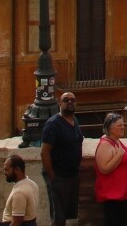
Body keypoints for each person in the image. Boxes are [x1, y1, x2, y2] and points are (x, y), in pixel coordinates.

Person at [40, 93, 84, 226]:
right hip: (58, 176)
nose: (70, 102)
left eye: (73, 100)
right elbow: (44, 152)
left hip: (72, 175)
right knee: (58, 217)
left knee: (67, 215)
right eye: (66, 100)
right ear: (60, 104)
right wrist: (52, 176)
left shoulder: (74, 121)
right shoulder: (53, 124)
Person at [95, 112, 127, 226]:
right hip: (113, 195)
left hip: (124, 193)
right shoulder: (105, 145)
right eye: (120, 125)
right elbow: (104, 169)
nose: (123, 127)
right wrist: (119, 155)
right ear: (110, 128)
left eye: (123, 124)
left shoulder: (117, 140)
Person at [0, 155, 43, 226]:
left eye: (7, 170)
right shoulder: (32, 184)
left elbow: (17, 222)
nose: (5, 173)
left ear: (17, 169)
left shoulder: (19, 193)